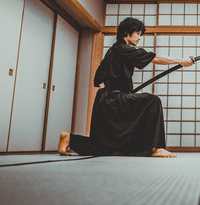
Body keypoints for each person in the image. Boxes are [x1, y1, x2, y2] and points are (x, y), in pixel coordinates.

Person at [58, 17, 193, 158]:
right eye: (138, 33)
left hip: (105, 101)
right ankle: (156, 147)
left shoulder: (114, 51)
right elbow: (155, 58)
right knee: (153, 101)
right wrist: (181, 60)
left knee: (103, 147)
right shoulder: (122, 49)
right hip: (114, 100)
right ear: (127, 33)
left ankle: (70, 139)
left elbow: (99, 78)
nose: (140, 38)